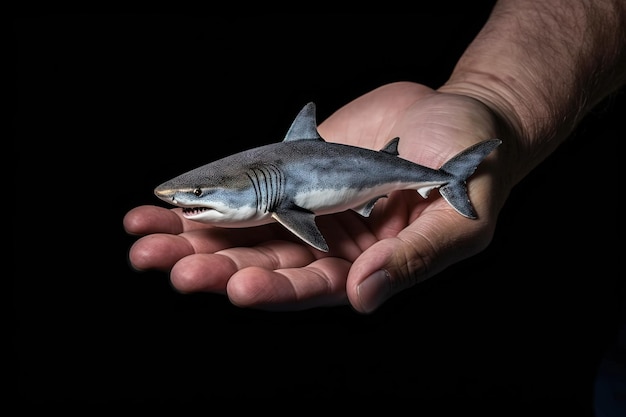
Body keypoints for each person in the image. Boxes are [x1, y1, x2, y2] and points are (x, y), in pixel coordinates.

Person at [124, 0, 626, 314]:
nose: (180, 200)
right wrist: (492, 96)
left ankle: (447, 180)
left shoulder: (282, 207)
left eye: (193, 195)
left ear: (255, 186)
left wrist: (495, 102)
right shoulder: (258, 197)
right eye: (187, 196)